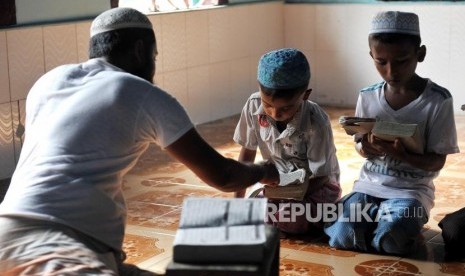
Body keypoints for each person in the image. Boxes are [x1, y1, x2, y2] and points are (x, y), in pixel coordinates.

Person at [0, 7, 279, 275]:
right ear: (139, 51)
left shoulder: (50, 81)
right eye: (154, 57)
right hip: (56, 247)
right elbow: (223, 175)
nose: (154, 66)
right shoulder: (140, 92)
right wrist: (265, 170)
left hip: (9, 228)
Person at [324, 11, 460, 255]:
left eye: (401, 61)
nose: (391, 72)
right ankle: (380, 223)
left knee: (390, 241)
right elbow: (360, 146)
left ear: (420, 54)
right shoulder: (367, 96)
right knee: (341, 237)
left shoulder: (437, 100)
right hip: (369, 186)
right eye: (381, 62)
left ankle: (392, 226)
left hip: (411, 192)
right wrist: (366, 147)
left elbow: (437, 161)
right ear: (371, 56)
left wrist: (403, 155)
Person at [233, 48, 341, 235]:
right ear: (259, 89)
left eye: (287, 107)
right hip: (276, 186)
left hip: (315, 186)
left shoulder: (316, 121)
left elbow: (322, 175)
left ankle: (312, 220)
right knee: (253, 211)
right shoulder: (252, 105)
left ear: (305, 95)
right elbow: (246, 157)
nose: (275, 114)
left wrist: (292, 194)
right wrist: (237, 203)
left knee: (291, 216)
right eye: (268, 105)